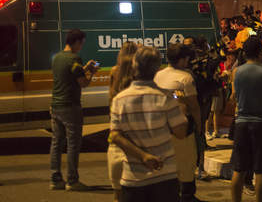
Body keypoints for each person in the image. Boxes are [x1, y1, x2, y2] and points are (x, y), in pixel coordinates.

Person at [109, 47, 188, 202]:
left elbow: (115, 136)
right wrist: (182, 109)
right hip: (164, 175)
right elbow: (181, 132)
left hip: (133, 178)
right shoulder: (166, 98)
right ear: (157, 69)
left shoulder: (120, 99)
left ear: (134, 66)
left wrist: (143, 156)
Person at [230, 36, 262, 202]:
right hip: (261, 123)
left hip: (241, 122)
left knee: (239, 169)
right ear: (260, 52)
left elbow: (234, 96)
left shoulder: (236, 72)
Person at [49, 29, 99, 191]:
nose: (81, 47)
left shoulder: (57, 58)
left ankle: (55, 179)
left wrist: (84, 68)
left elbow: (70, 74)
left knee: (56, 143)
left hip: (55, 105)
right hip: (70, 106)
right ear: (76, 42)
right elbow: (83, 83)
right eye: (81, 43)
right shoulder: (74, 58)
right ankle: (72, 180)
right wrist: (91, 73)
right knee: (73, 144)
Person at [154, 43, 204, 202]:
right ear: (182, 59)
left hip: (161, 127)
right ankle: (187, 196)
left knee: (168, 163)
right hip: (182, 127)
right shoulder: (185, 78)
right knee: (187, 161)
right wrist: (199, 125)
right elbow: (194, 106)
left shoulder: (158, 75)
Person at [108, 42, 139, 202]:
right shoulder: (137, 71)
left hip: (118, 121)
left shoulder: (115, 70)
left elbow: (111, 94)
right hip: (134, 124)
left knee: (118, 189)